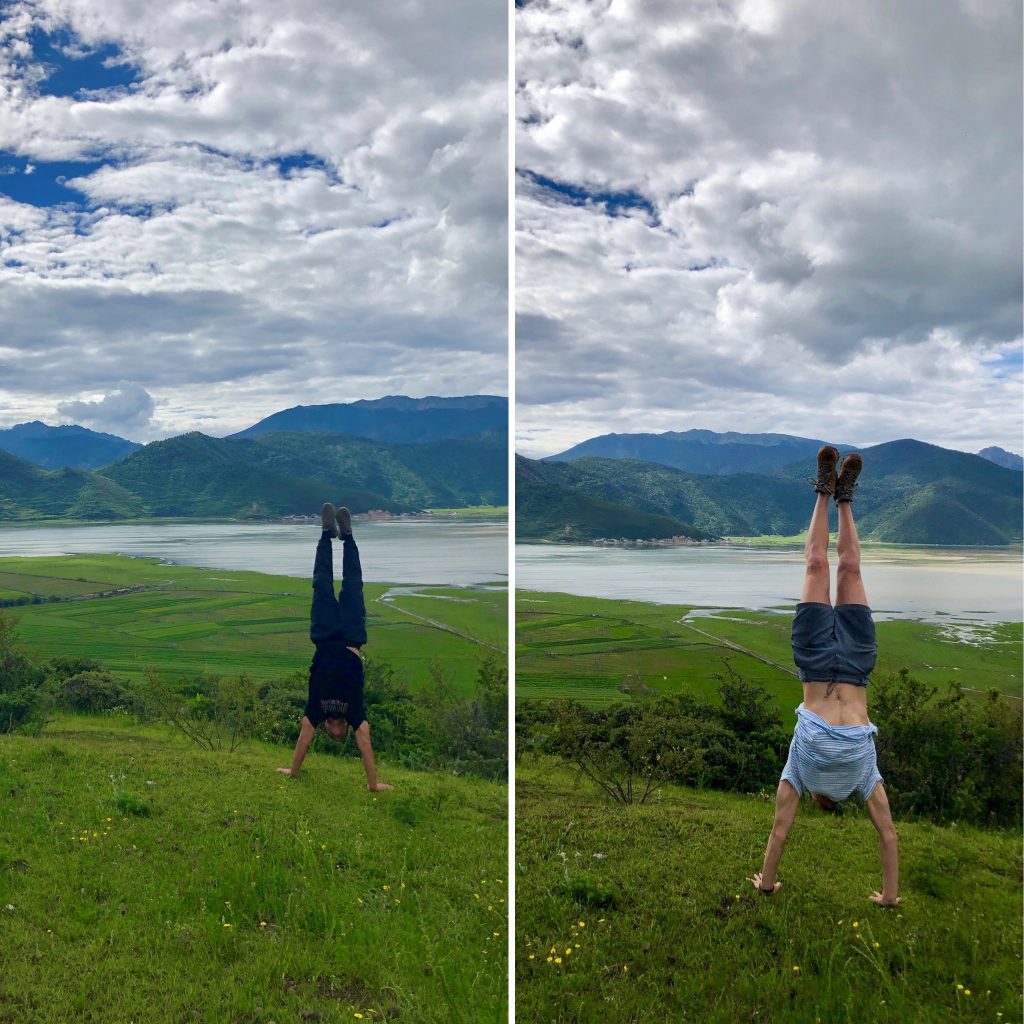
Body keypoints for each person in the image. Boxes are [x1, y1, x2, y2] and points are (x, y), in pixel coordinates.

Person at [750, 446, 899, 905]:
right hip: (856, 666)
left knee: (824, 566)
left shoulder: (802, 771)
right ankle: (843, 498)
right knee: (836, 567)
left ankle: (825, 489)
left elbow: (780, 831)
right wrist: (888, 898)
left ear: (821, 798)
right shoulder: (862, 775)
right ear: (825, 801)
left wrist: (768, 884)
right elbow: (888, 838)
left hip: (816, 663)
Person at [277, 503, 392, 791]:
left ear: (327, 729)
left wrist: (293, 772)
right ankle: (348, 536)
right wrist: (373, 785)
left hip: (325, 636)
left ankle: (327, 533)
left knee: (322, 584)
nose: (336, 730)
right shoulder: (355, 714)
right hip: (352, 637)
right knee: (353, 585)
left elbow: (304, 737)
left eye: (333, 731)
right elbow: (365, 742)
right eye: (341, 733)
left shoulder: (316, 711)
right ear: (344, 729)